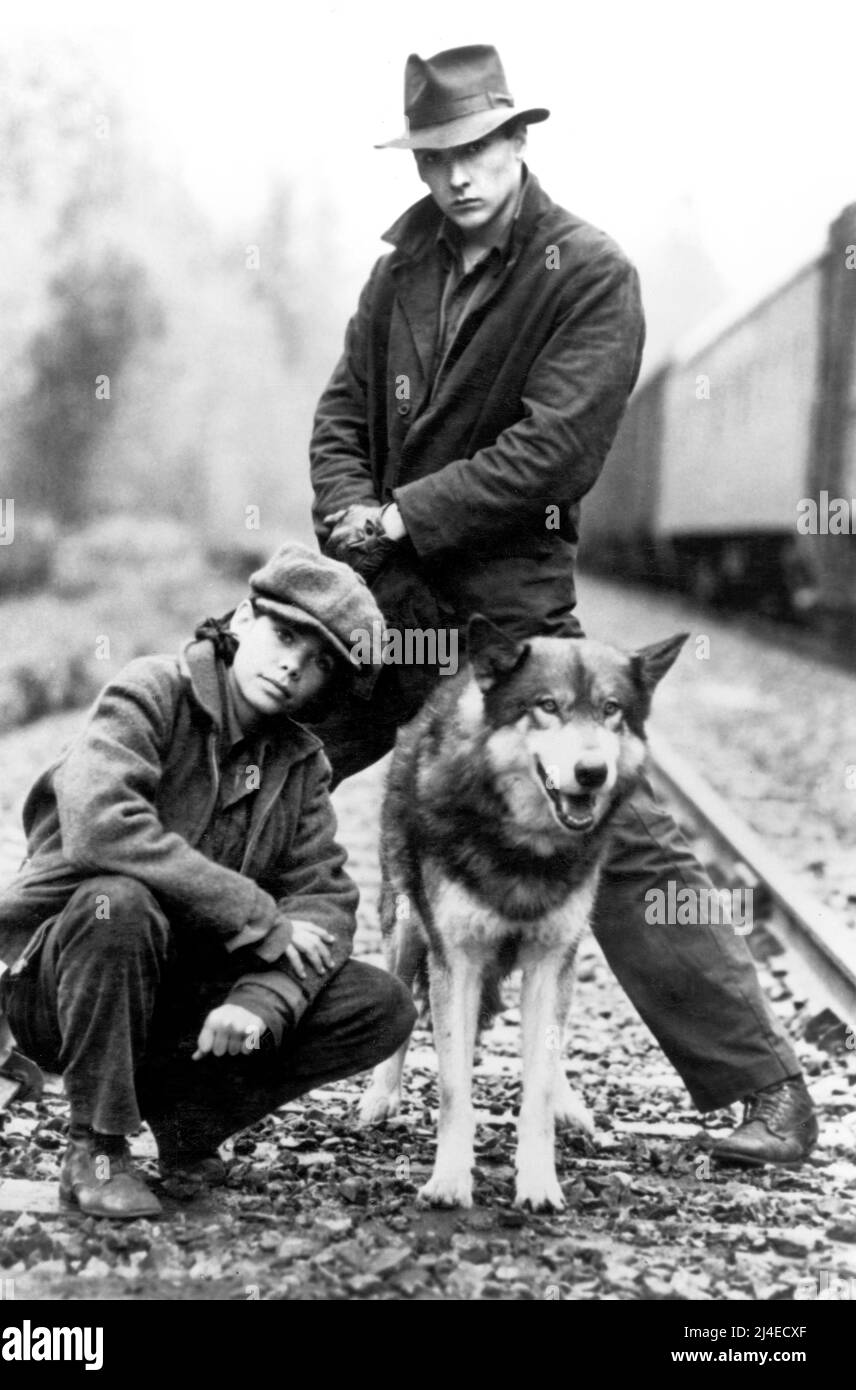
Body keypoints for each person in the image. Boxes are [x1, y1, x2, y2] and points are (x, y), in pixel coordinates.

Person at [308, 44, 817, 1165]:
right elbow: (344, 407)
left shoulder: (586, 271)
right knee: (257, 759)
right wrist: (347, 511)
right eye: (435, 155)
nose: (456, 175)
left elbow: (555, 449)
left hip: (508, 620)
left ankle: (761, 1088)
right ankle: (140, 1058)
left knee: (612, 829)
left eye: (476, 148)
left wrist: (403, 516)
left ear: (517, 140)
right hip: (385, 608)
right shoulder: (399, 272)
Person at [0, 543, 416, 1218]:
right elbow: (100, 827)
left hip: (186, 996)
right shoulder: (151, 692)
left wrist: (261, 1001)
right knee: (118, 901)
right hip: (68, 985)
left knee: (378, 1003)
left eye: (320, 661)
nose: (293, 664)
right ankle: (97, 1144)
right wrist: (255, 913)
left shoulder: (302, 765)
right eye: (285, 635)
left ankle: (189, 1122)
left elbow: (323, 901)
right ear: (242, 619)